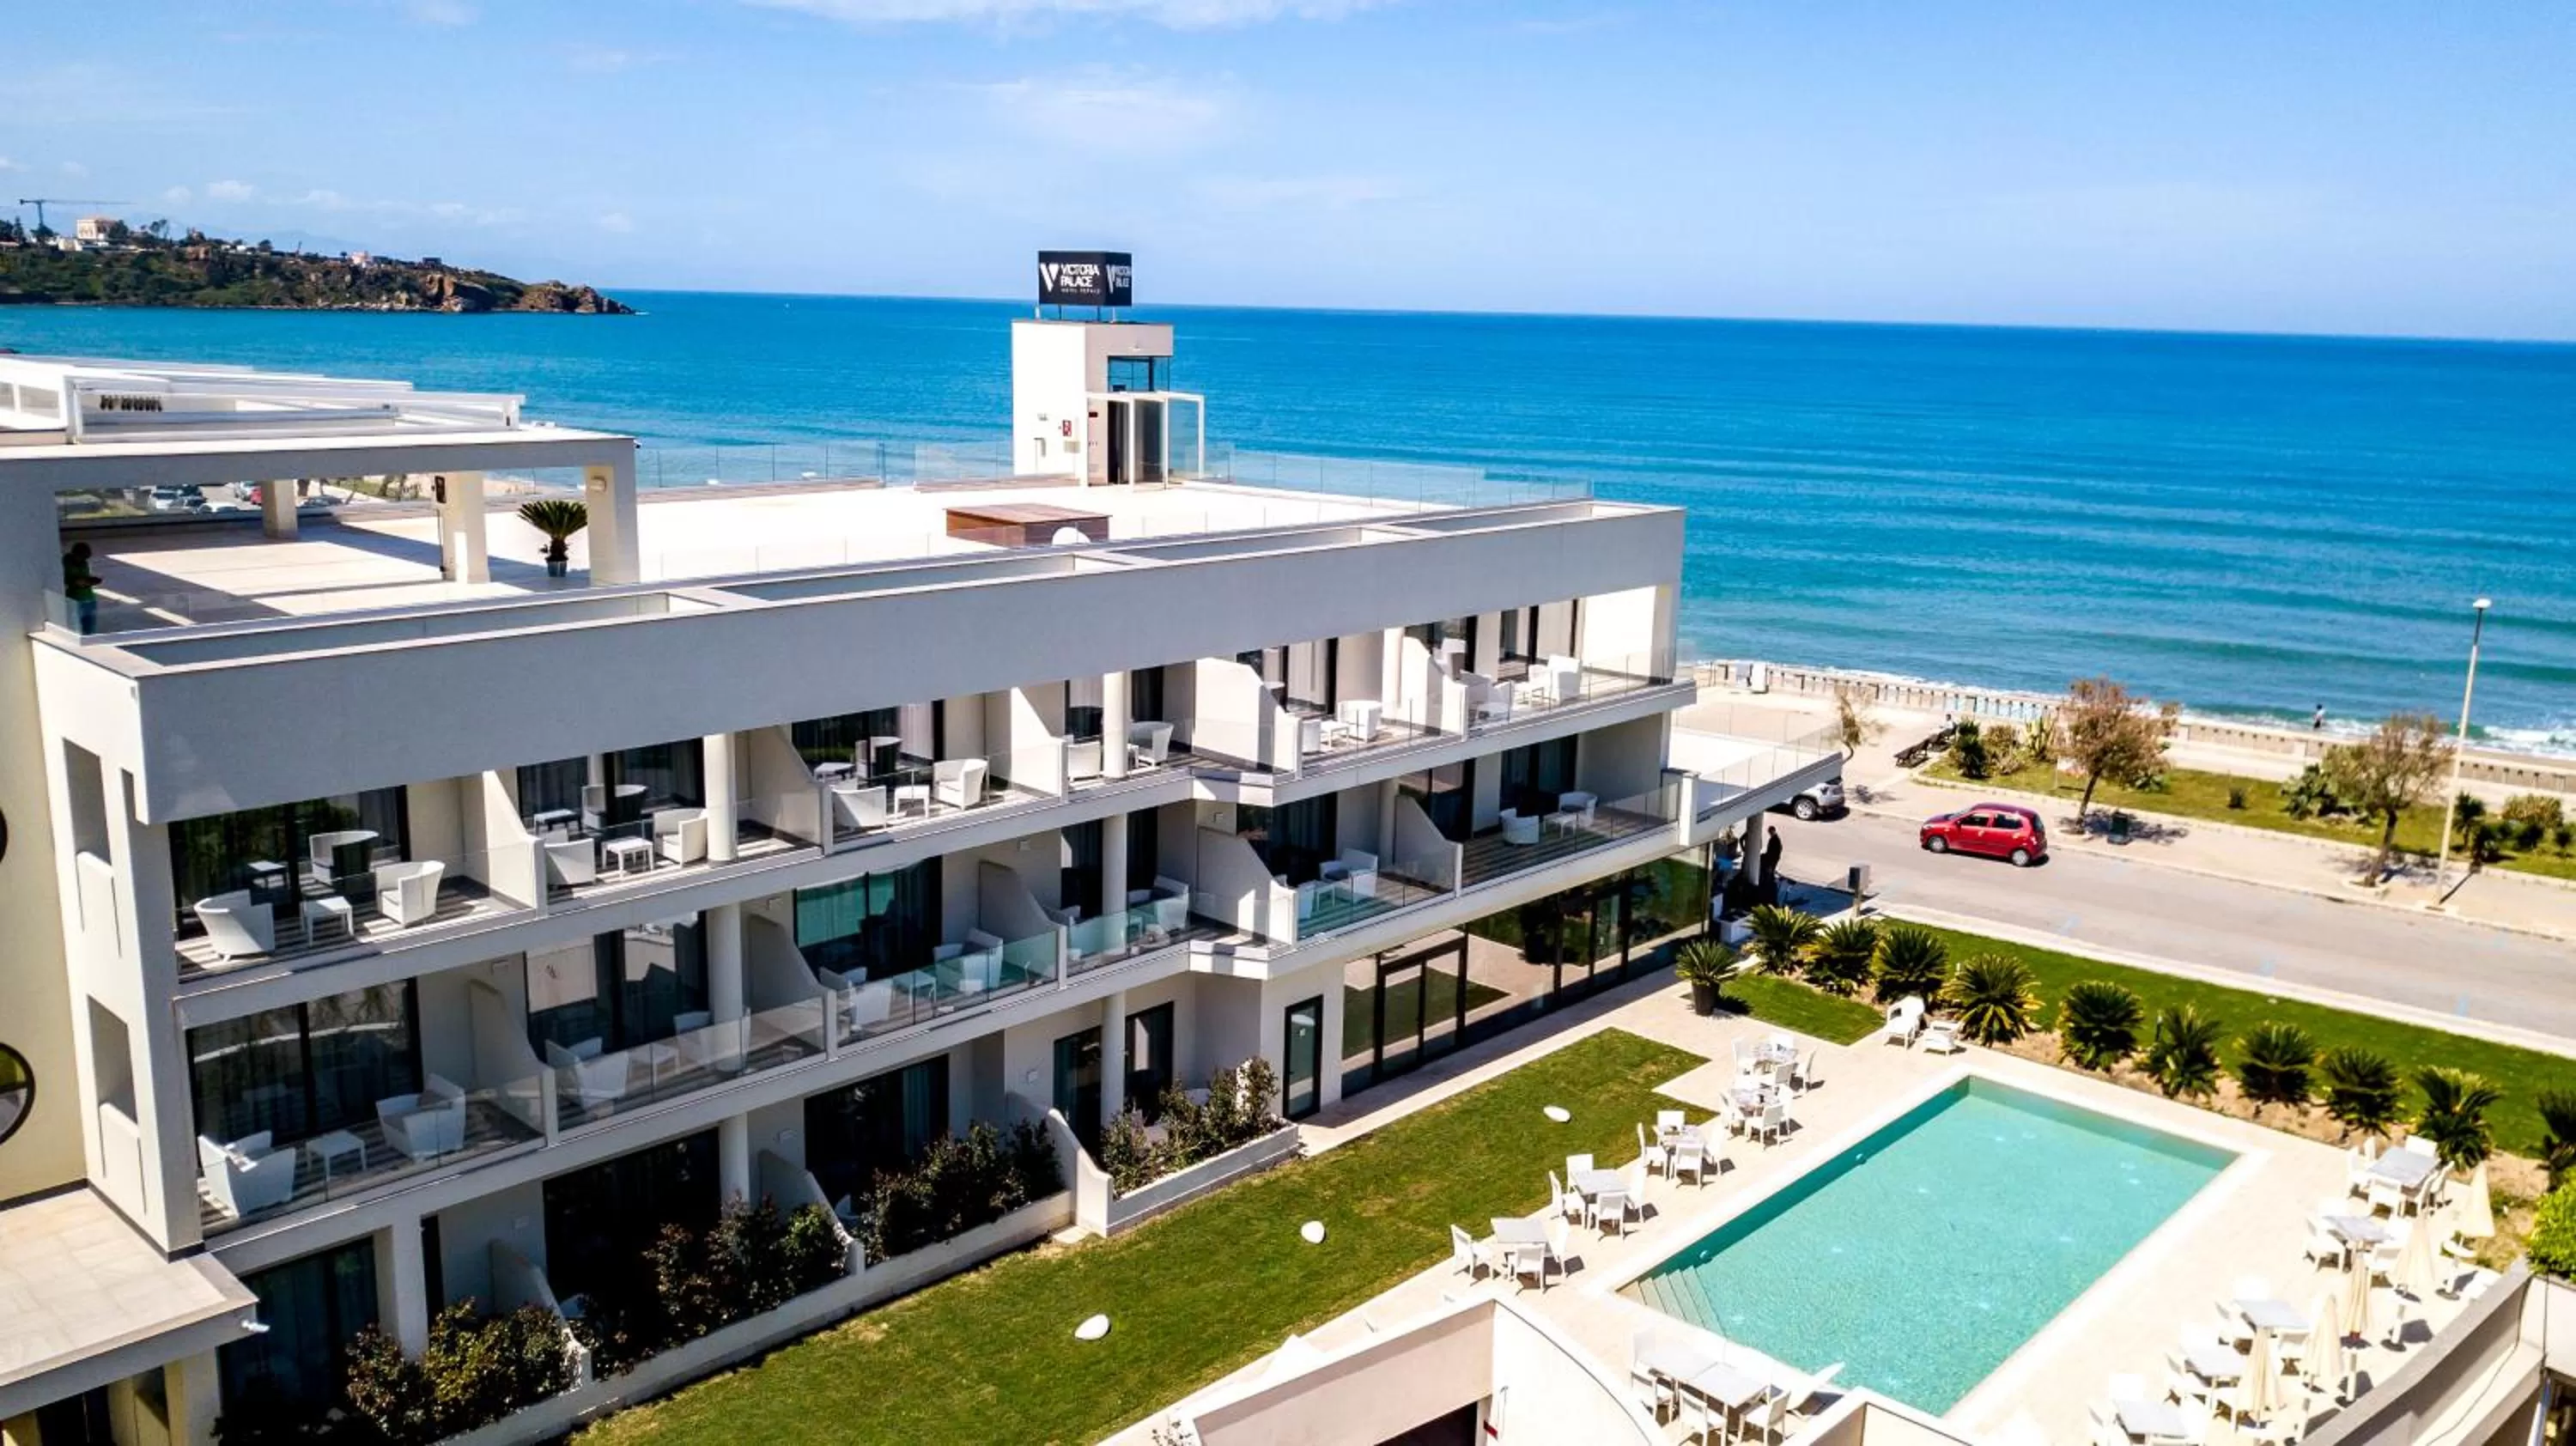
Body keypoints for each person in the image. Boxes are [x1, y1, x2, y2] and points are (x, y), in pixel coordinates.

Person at [61, 543, 100, 634]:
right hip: (74, 599)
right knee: (75, 628)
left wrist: (91, 581)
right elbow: (68, 580)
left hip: (89, 598)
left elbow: (85, 576)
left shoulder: (84, 564)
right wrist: (76, 582)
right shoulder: (65, 564)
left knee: (89, 628)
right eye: (82, 557)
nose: (83, 560)